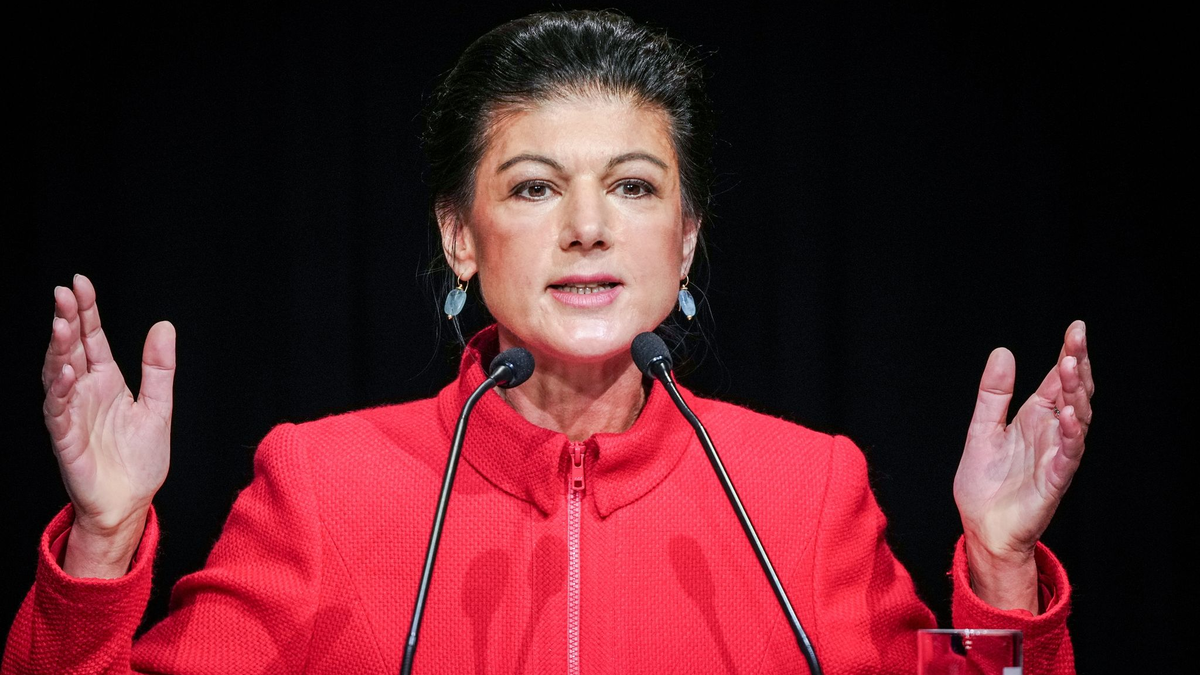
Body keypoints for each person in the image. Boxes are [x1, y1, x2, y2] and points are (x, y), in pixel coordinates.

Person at [3, 9, 1091, 674]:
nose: (587, 226)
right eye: (533, 187)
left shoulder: (808, 491)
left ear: (687, 236)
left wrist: (1000, 569)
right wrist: (102, 541)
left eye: (634, 186)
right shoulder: (321, 485)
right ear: (459, 235)